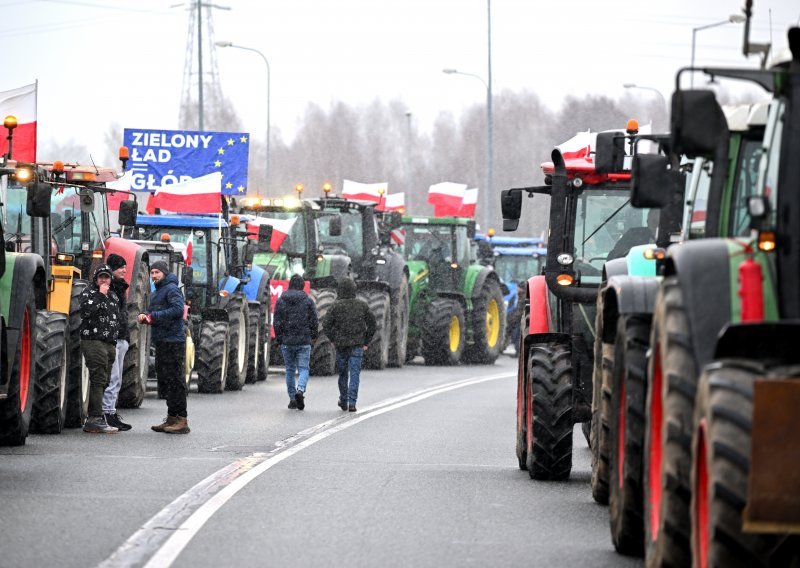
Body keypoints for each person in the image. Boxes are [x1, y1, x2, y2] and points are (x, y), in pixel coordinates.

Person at [137, 260, 189, 434]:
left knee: (175, 380)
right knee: (166, 380)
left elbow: (177, 310)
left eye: (157, 273)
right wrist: (146, 316)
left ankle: (181, 419)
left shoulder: (171, 289)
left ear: (164, 273)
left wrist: (154, 317)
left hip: (173, 341)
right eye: (152, 273)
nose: (153, 276)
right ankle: (171, 417)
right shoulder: (158, 291)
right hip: (162, 340)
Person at [321, 277, 376, 412]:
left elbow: (326, 324)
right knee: (355, 374)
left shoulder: (336, 306)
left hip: (341, 345)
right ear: (354, 290)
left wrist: (333, 339)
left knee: (343, 374)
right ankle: (352, 402)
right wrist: (366, 341)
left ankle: (343, 399)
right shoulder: (362, 306)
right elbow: (372, 324)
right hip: (357, 345)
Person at [79, 263, 121, 434]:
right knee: (98, 378)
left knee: (104, 380)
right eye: (101, 276)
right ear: (96, 279)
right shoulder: (89, 293)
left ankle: (97, 415)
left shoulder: (114, 296)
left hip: (109, 342)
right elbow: (85, 312)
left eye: (107, 276)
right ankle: (94, 418)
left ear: (111, 279)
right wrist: (100, 296)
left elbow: (118, 317)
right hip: (93, 340)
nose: (104, 279)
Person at [273, 274, 318, 410]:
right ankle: (300, 390)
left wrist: (279, 339)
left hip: (287, 341)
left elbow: (277, 322)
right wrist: (313, 336)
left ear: (290, 285)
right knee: (304, 369)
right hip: (304, 341)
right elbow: (314, 321)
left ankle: (292, 398)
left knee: (290, 370)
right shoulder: (308, 301)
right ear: (302, 286)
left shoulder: (281, 300)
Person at [102, 254, 131, 431]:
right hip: (113, 339)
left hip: (121, 338)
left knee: (117, 379)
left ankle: (111, 411)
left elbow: (122, 314)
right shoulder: (107, 288)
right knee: (112, 378)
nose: (124, 270)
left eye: (125, 267)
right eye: (121, 267)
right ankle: (107, 413)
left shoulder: (120, 288)